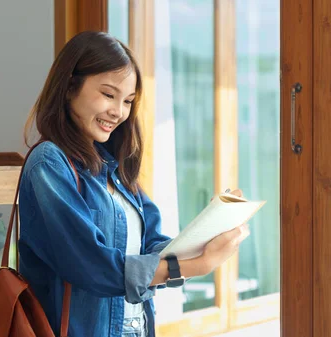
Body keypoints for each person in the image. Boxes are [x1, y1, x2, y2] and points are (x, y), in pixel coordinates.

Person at [17, 31, 250, 337]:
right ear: (69, 87)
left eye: (127, 101)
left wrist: (205, 234)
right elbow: (92, 266)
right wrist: (194, 267)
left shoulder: (114, 167)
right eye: (108, 94)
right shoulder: (49, 163)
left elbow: (150, 246)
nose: (119, 112)